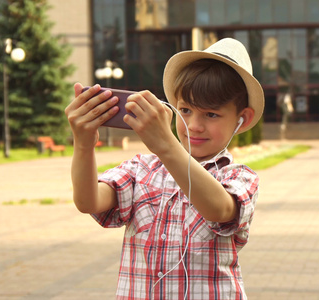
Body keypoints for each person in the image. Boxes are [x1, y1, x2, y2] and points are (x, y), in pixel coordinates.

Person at [64, 38, 264, 299]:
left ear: (242, 118)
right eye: (185, 110)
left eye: (211, 114)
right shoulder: (141, 168)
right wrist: (83, 143)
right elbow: (89, 201)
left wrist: (166, 144)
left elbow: (219, 209)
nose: (193, 125)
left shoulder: (239, 177)